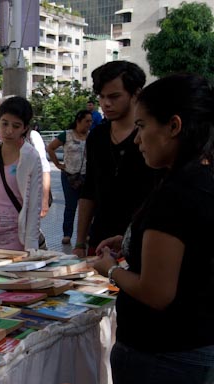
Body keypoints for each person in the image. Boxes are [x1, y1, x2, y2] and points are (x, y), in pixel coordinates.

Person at [92, 73, 214, 384]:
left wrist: (110, 271)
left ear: (174, 126)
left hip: (160, 351)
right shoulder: (201, 178)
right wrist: (130, 240)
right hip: (195, 343)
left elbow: (156, 292)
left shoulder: (176, 193)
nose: (138, 140)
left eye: (143, 126)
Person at [73, 61, 155, 257]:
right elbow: (89, 190)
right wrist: (79, 243)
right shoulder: (97, 136)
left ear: (136, 93)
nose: (105, 103)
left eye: (114, 96)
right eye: (101, 97)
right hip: (99, 242)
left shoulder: (153, 136)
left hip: (141, 244)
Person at [0, 96, 43, 251]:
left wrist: (31, 248)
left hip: (17, 242)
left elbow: (34, 206)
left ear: (25, 128)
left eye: (16, 126)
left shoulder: (30, 156)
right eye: (4, 123)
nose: (9, 130)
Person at [46, 110, 93, 244]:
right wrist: (58, 164)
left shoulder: (91, 136)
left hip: (86, 175)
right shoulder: (66, 135)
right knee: (70, 205)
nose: (89, 124)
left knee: (87, 206)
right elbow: (50, 148)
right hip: (69, 175)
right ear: (79, 121)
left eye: (91, 121)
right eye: (87, 121)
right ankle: (67, 234)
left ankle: (87, 233)